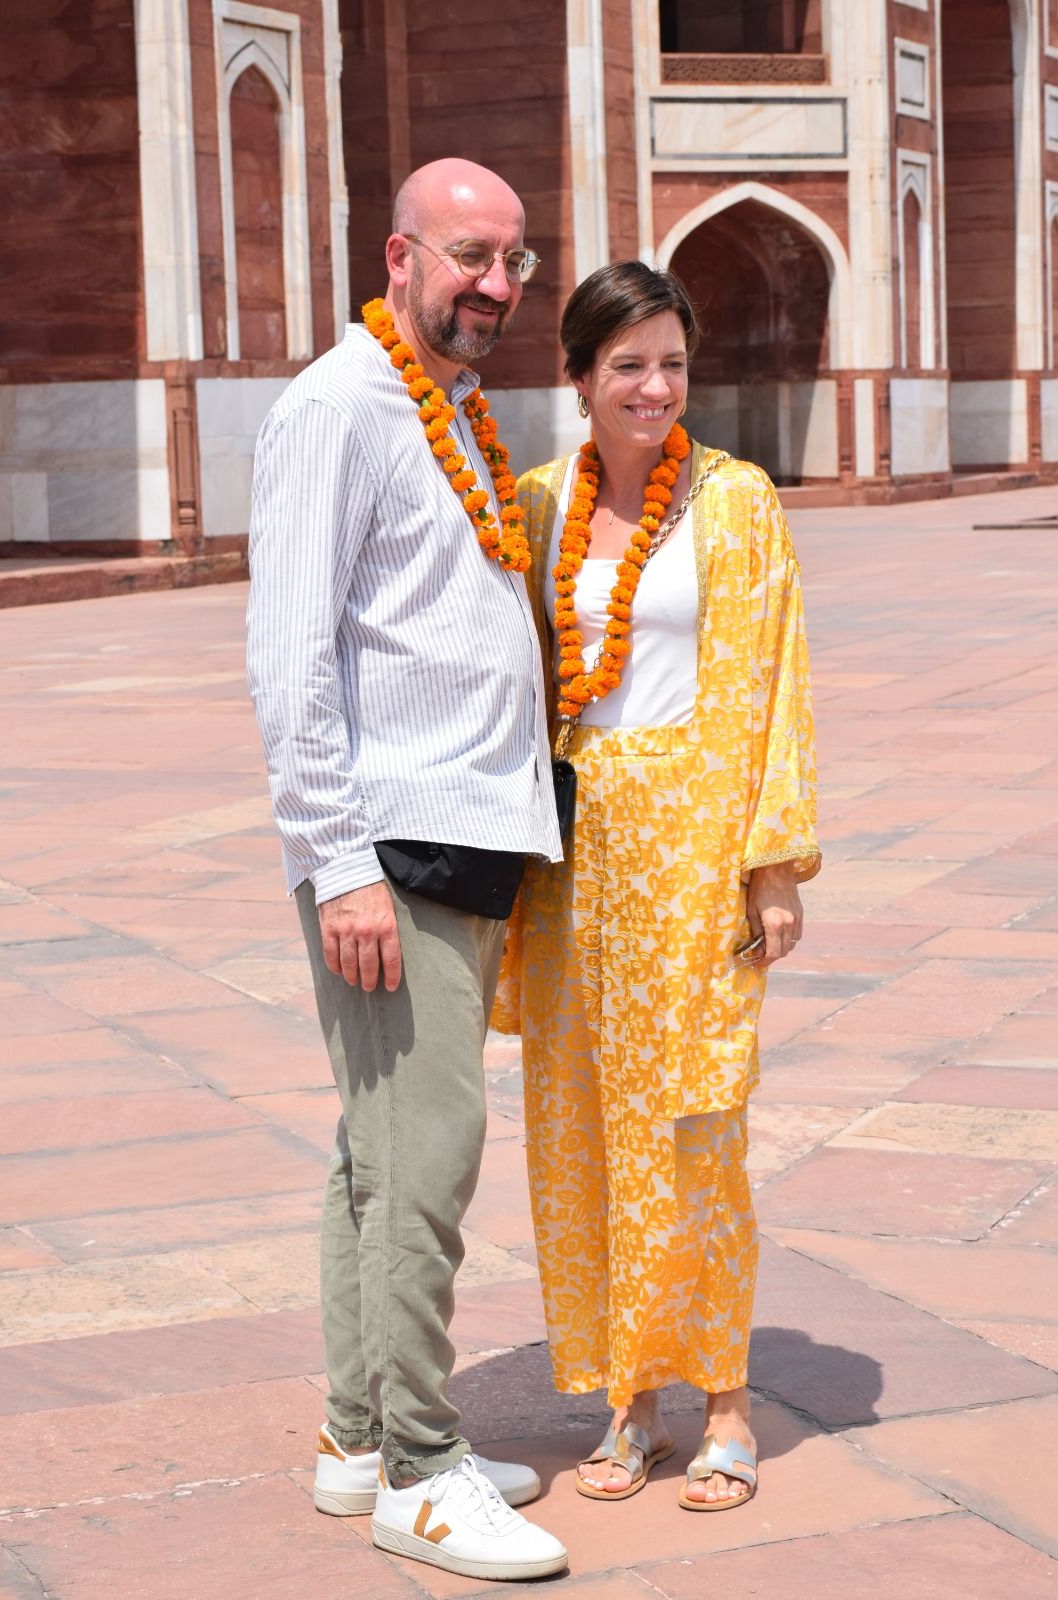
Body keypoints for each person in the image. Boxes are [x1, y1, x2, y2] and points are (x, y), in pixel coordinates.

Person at [246, 159, 568, 1583]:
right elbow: (290, 651)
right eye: (468, 256)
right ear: (398, 255)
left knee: (375, 1155)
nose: (494, 284)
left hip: (466, 826)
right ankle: (423, 1475)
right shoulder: (337, 405)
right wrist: (339, 861)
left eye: (515, 261)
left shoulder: (449, 406)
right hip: (395, 843)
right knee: (425, 1159)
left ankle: (359, 1436)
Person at [494, 259, 820, 1513]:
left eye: (672, 362)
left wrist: (772, 860)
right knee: (584, 1130)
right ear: (578, 376)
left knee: (696, 1126)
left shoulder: (736, 503)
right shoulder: (533, 507)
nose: (654, 385)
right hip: (575, 868)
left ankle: (726, 1399)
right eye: (626, 363)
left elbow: (780, 678)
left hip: (695, 855)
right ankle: (625, 1398)